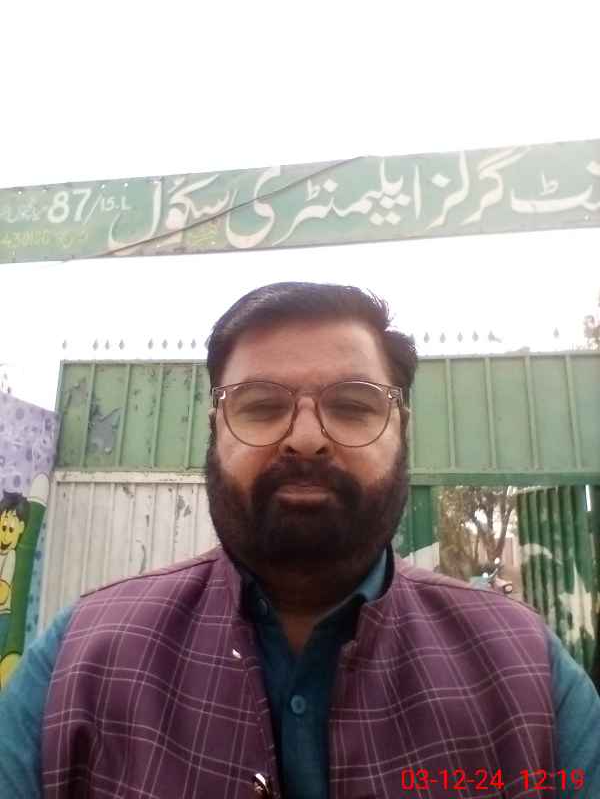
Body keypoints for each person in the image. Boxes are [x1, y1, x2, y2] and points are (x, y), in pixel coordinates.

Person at [0, 281, 599, 798]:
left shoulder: (527, 674)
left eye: (353, 405)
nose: (307, 439)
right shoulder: (78, 662)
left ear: (402, 430)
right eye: (261, 405)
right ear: (214, 432)